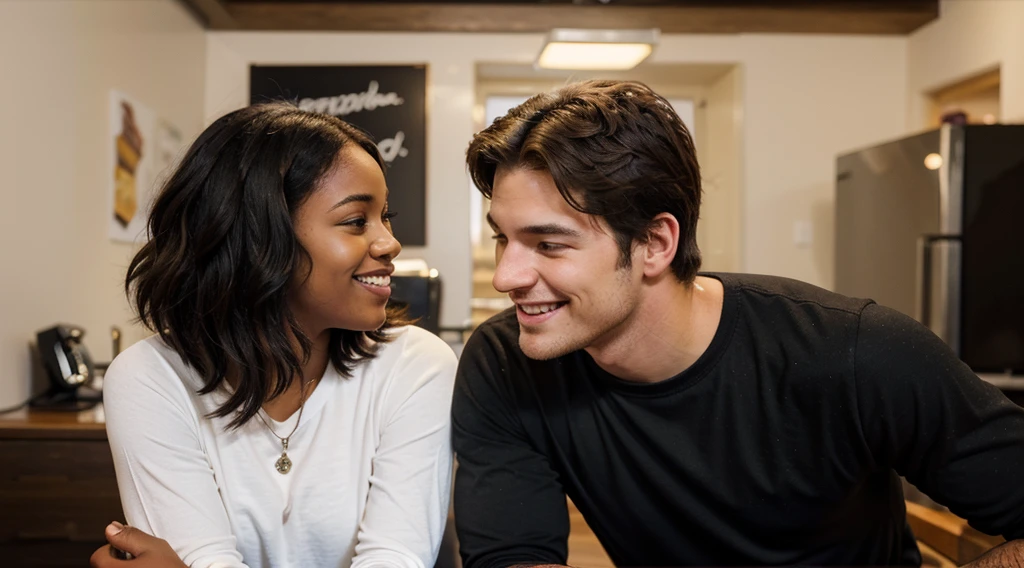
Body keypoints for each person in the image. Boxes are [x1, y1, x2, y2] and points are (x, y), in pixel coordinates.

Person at [452, 80, 1024, 567]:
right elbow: (515, 554)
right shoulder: (508, 362)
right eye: (503, 237)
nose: (506, 277)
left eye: (548, 244)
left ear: (655, 243)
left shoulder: (855, 351)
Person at [89, 103, 458, 568]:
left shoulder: (417, 365)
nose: (389, 243)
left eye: (386, 216)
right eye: (356, 221)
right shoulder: (149, 377)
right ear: (260, 238)